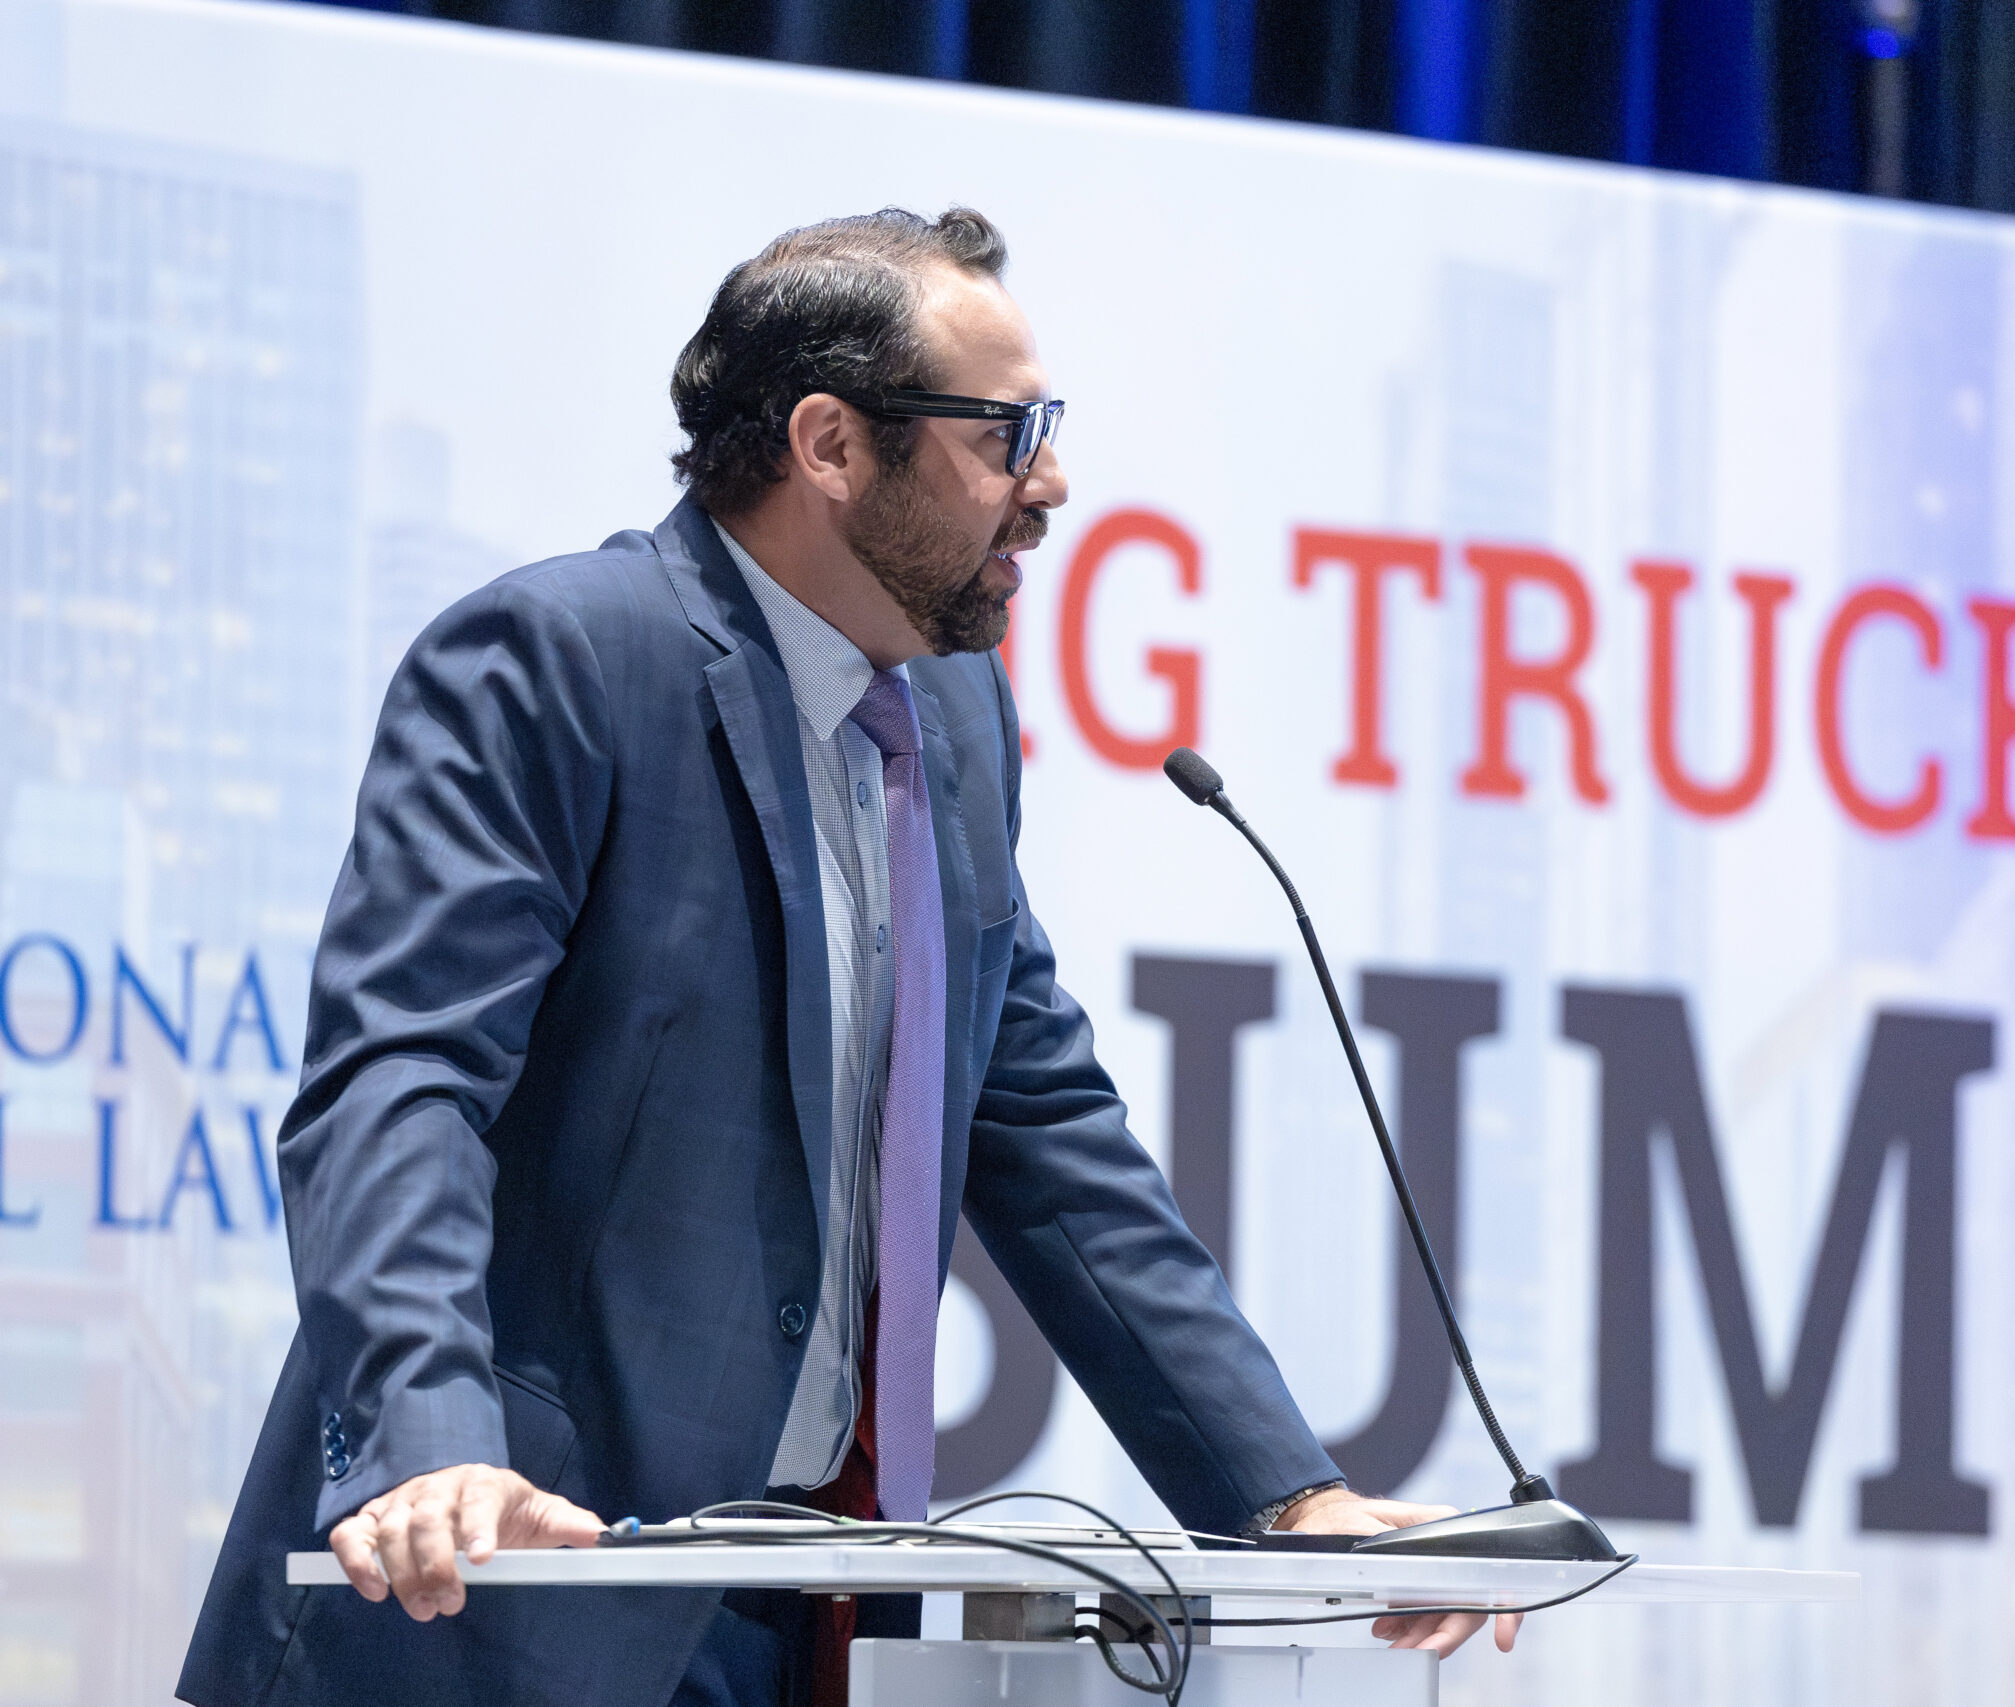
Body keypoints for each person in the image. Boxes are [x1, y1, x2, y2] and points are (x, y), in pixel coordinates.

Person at [177, 208, 1518, 1707]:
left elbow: (1042, 1126)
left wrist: (1286, 1501)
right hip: (495, 1593)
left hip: (797, 1614)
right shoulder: (557, 659)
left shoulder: (954, 722)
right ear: (830, 443)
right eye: (1006, 430)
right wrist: (435, 1448)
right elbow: (400, 1085)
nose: (1051, 481)